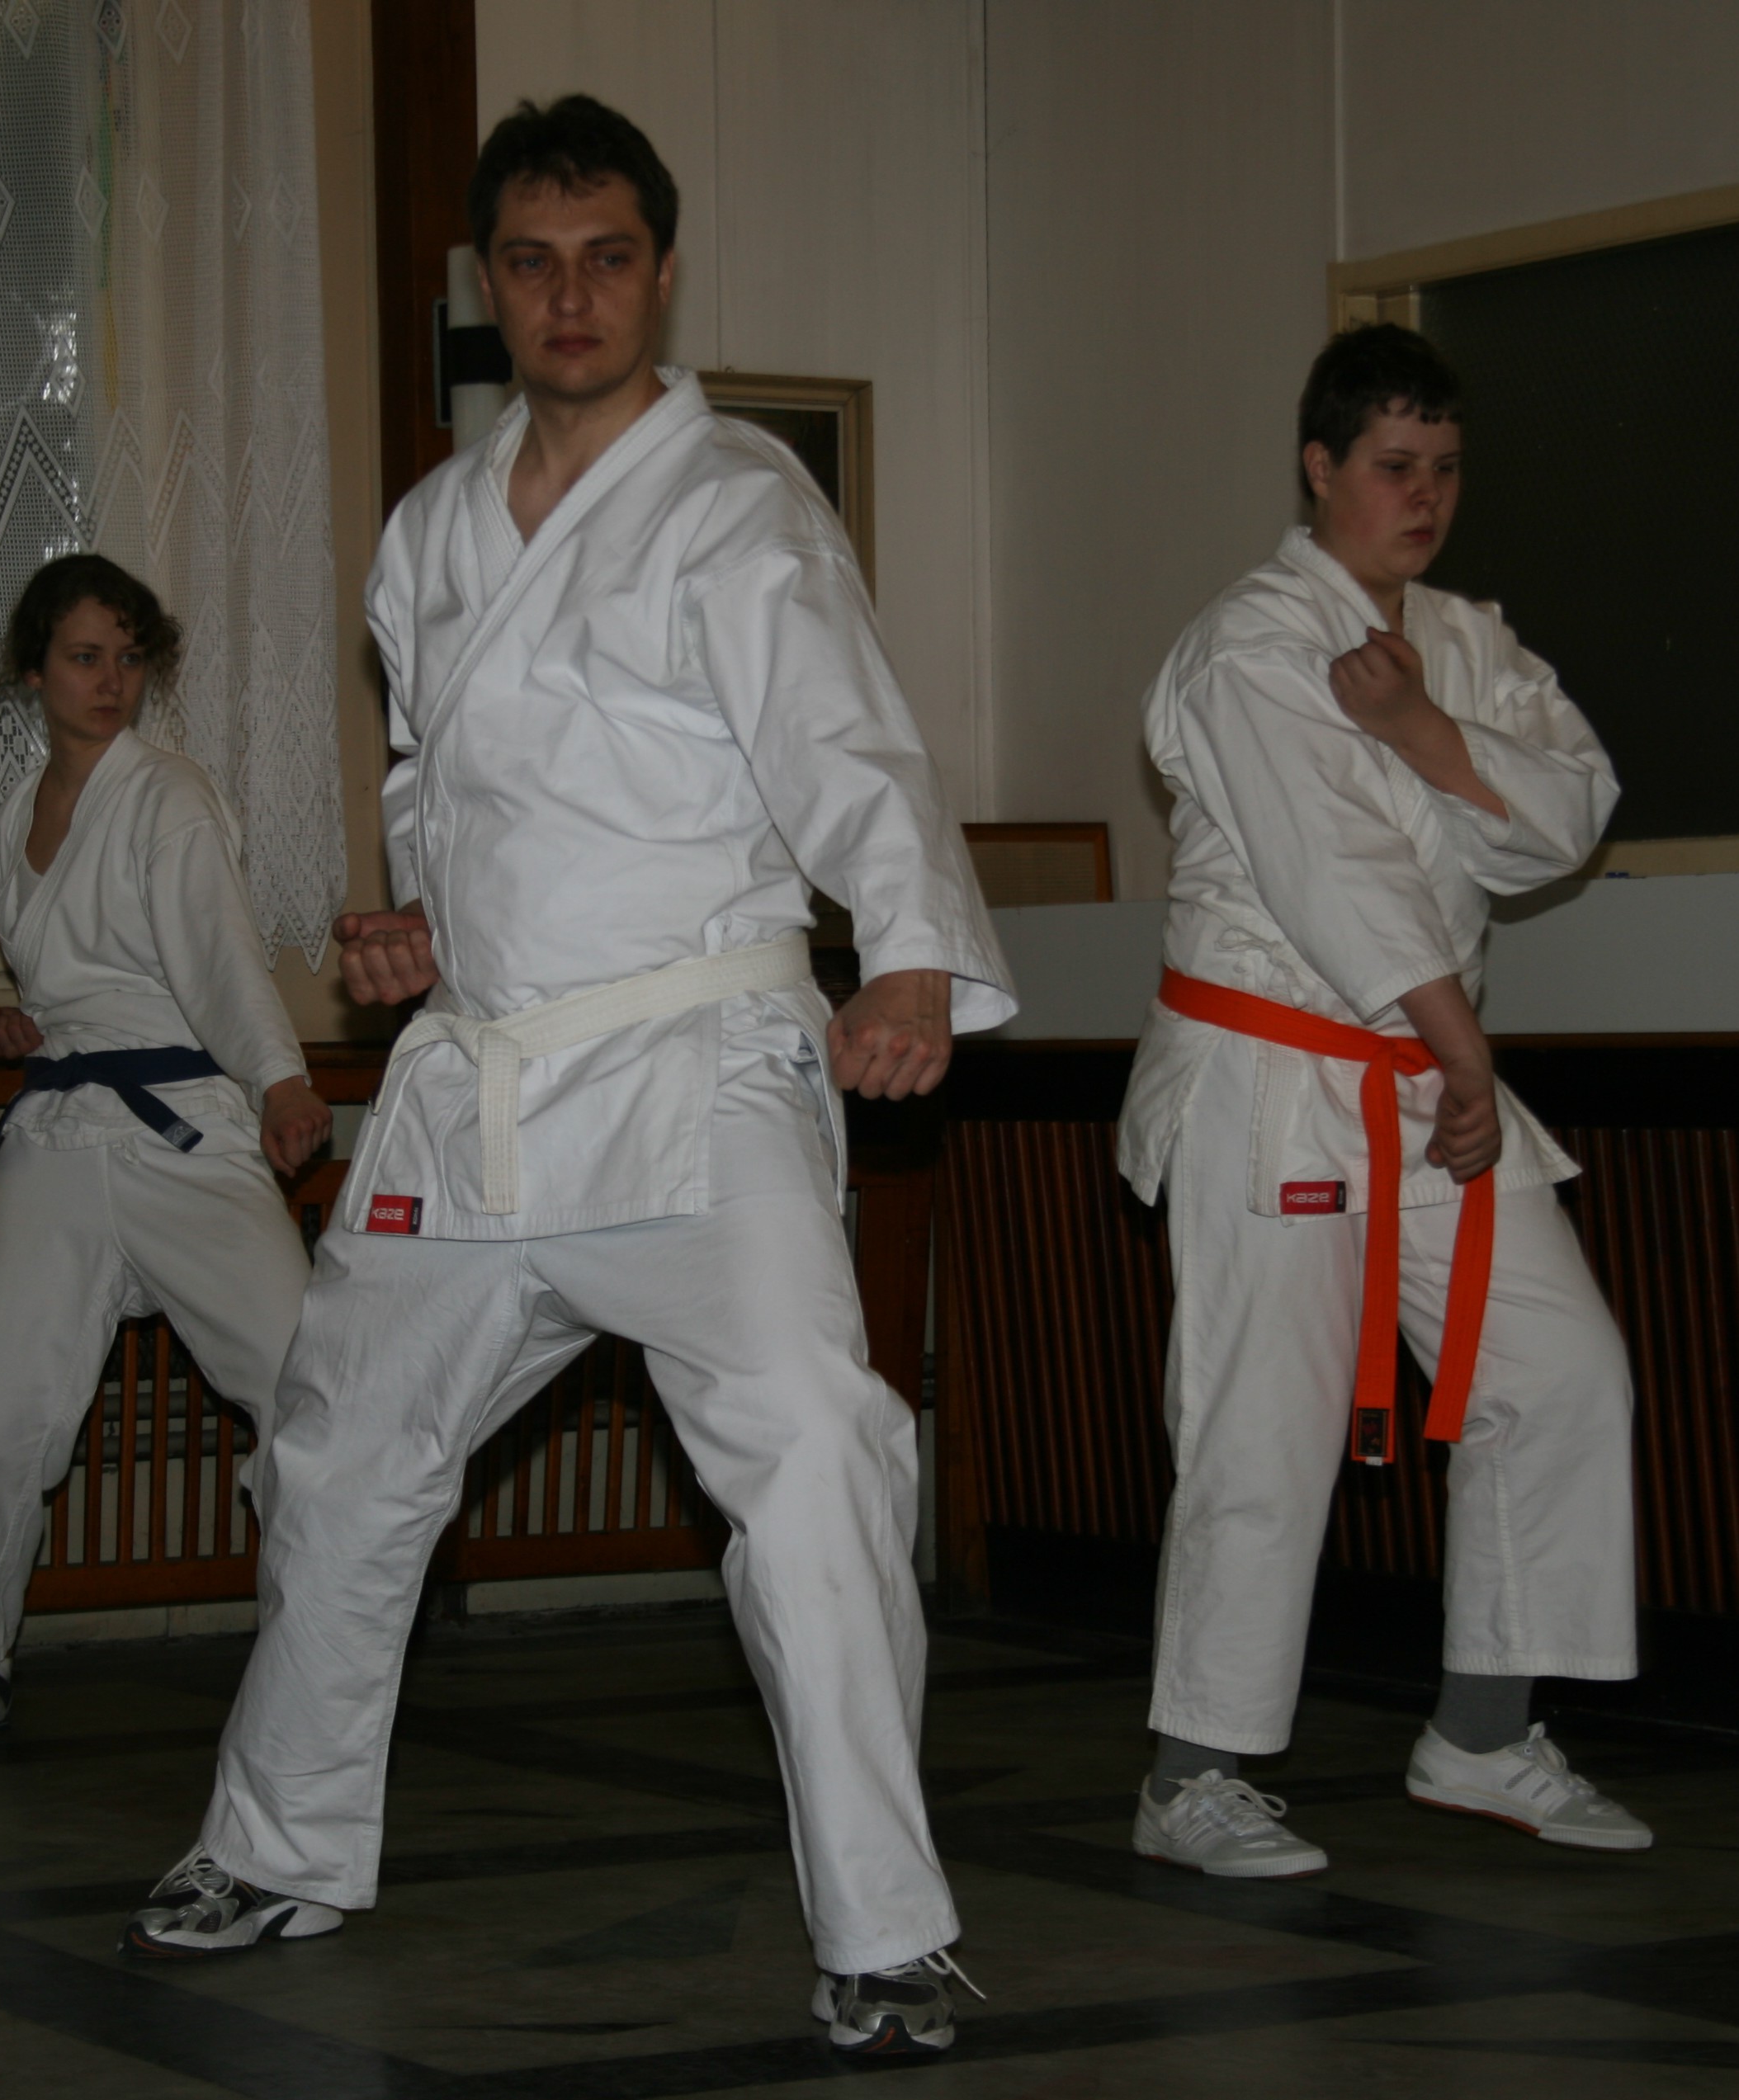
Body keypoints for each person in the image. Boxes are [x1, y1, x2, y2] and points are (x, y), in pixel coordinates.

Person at [120, 97, 1014, 2061]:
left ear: (661, 273)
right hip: (484, 1076)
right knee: (342, 1448)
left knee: (816, 1450)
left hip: (697, 1060)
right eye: (532, 263)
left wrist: (910, 952)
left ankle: (886, 1928)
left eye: (608, 258)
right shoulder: (432, 531)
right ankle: (277, 1845)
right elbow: (439, 784)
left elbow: (849, 743)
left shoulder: (740, 502)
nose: (571, 296)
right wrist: (412, 928)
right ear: (488, 283)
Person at [1116, 323, 1648, 1876]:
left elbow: (1568, 815)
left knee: (1560, 1371)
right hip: (1276, 1071)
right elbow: (1334, 871)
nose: (1424, 497)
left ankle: (1481, 1733)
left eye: (1446, 469)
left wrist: (1422, 729)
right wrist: (1464, 1051)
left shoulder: (1469, 646)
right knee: (1262, 1416)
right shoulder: (1249, 644)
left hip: (1422, 1068)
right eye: (1395, 467)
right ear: (1320, 467)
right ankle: (1190, 1775)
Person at [0, 554, 331, 1752]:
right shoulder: (19, 808)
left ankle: (332, 1647)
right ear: (33, 669)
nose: (111, 681)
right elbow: (80, 983)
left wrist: (281, 1078)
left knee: (308, 1384)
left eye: (129, 658)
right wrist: (26, 1024)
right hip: (59, 1133)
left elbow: (216, 954)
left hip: (184, 1125)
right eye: (86, 657)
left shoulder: (169, 795)